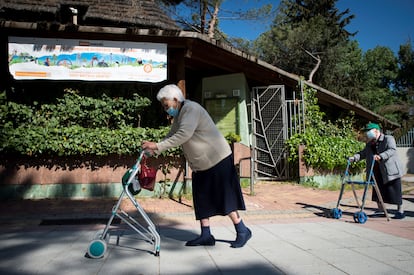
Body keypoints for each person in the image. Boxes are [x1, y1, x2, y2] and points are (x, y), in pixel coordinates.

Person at [142, 84, 252, 248]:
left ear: (176, 99)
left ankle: (242, 230)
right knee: (201, 199)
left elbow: (183, 135)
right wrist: (153, 151)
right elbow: (172, 134)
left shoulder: (191, 109)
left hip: (217, 159)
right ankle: (206, 235)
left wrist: (157, 146)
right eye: (164, 106)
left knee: (223, 197)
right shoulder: (179, 114)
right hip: (201, 164)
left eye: (166, 105)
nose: (166, 109)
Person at [349, 122, 405, 219]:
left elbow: (392, 150)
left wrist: (381, 156)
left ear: (376, 131)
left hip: (390, 170)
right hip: (376, 170)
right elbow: (363, 153)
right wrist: (354, 157)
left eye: (369, 131)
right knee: (378, 191)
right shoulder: (369, 143)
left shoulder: (388, 139)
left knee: (394, 190)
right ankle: (382, 211)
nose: (367, 134)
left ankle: (400, 211)